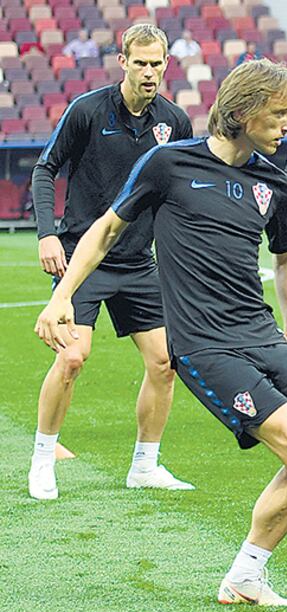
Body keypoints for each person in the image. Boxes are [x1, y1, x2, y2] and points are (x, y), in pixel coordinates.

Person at [34, 58, 287, 606]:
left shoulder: (273, 181)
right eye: (279, 114)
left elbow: (286, 259)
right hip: (204, 346)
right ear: (241, 113)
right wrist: (63, 296)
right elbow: (105, 229)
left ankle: (245, 575)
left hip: (263, 336)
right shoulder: (167, 163)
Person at [29, 24, 194, 500]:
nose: (149, 71)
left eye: (156, 63)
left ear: (166, 64)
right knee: (73, 356)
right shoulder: (87, 110)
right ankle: (43, 460)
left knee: (165, 363)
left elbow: (174, 193)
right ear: (122, 61)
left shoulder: (175, 122)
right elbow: (45, 169)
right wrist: (47, 235)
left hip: (138, 260)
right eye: (140, 62)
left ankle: (145, 464)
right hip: (83, 256)